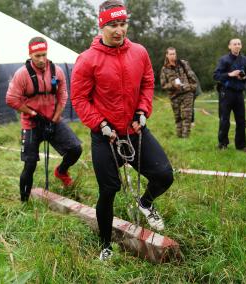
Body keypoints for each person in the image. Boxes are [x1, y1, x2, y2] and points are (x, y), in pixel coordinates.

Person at [71, 1, 173, 261]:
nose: (119, 30)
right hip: (105, 136)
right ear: (101, 25)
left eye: (122, 23)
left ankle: (146, 203)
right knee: (109, 190)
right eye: (113, 25)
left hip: (135, 131)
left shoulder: (139, 52)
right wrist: (101, 124)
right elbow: (80, 99)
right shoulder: (87, 60)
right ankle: (105, 245)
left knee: (164, 175)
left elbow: (148, 82)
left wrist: (143, 110)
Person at [6, 37, 82, 202]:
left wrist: (55, 119)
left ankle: (61, 171)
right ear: (30, 54)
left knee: (76, 149)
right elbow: (11, 99)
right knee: (30, 164)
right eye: (37, 55)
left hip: (52, 120)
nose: (41, 59)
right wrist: (32, 113)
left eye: (44, 55)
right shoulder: (22, 74)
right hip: (31, 124)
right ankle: (24, 201)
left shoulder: (57, 71)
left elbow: (63, 95)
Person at [214, 38, 246, 152]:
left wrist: (243, 77)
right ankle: (222, 144)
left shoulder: (245, 60)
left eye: (239, 44)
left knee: (241, 120)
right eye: (234, 44)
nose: (237, 46)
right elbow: (216, 76)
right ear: (229, 46)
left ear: (241, 46)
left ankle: (241, 146)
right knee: (224, 119)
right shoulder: (224, 60)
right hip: (226, 92)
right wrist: (230, 74)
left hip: (239, 93)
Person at [160, 47, 197, 138]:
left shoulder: (183, 64)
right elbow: (163, 85)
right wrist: (173, 85)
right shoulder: (164, 69)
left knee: (187, 116)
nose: (173, 56)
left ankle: (185, 137)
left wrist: (191, 88)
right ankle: (179, 136)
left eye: (174, 54)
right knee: (178, 117)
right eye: (171, 54)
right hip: (174, 96)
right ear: (167, 55)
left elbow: (191, 76)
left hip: (187, 93)